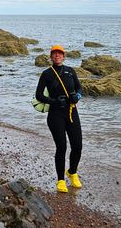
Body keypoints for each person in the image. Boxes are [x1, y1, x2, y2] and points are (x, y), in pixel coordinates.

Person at [34, 44, 83, 193]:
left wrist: (77, 96)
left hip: (71, 112)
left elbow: (79, 88)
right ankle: (61, 180)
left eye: (59, 54)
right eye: (54, 54)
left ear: (63, 56)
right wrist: (55, 101)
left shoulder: (70, 71)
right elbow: (39, 95)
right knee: (61, 147)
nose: (57, 56)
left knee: (77, 146)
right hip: (55, 115)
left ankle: (72, 172)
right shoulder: (46, 74)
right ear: (51, 56)